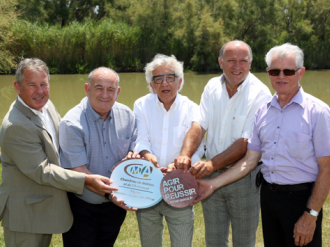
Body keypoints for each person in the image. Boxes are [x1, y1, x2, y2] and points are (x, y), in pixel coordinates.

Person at [191, 43, 330, 247]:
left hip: (301, 199)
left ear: (301, 73)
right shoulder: (263, 112)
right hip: (269, 197)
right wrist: (213, 183)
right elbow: (249, 161)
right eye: (275, 71)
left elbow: (326, 168)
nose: (281, 76)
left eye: (288, 71)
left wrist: (311, 214)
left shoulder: (318, 112)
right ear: (268, 73)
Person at [0, 58, 117, 247]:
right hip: (24, 215)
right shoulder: (16, 126)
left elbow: (62, 141)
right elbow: (42, 171)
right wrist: (86, 179)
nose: (39, 91)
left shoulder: (46, 106)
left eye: (44, 84)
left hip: (43, 207)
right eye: (32, 85)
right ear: (17, 86)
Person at [172, 40, 272, 247]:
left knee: (244, 241)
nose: (237, 66)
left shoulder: (261, 94)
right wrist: (185, 154)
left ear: (251, 63)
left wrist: (210, 165)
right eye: (231, 60)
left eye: (243, 61)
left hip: (244, 177)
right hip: (211, 174)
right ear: (220, 62)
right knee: (214, 241)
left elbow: (246, 142)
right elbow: (199, 125)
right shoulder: (211, 86)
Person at [59, 67, 138, 247]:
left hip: (115, 208)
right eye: (99, 88)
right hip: (82, 207)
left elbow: (135, 149)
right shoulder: (71, 123)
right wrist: (111, 195)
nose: (105, 94)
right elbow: (79, 172)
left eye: (111, 89)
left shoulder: (127, 116)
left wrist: (134, 156)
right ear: (87, 89)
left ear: (117, 92)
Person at [133, 54, 204, 247]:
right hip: (148, 185)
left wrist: (184, 163)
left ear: (180, 82)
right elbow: (140, 139)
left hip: (179, 186)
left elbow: (198, 145)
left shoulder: (193, 108)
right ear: (151, 85)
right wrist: (146, 155)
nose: (165, 83)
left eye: (170, 77)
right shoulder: (141, 105)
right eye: (158, 79)